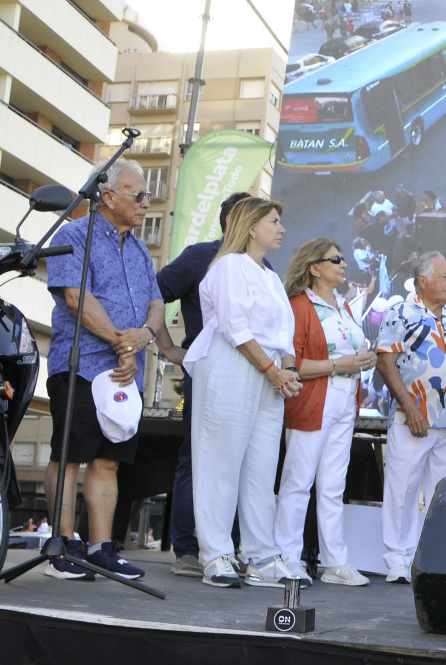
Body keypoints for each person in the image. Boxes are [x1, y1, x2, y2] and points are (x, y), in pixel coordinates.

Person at [44, 158, 181, 581]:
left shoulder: (141, 250)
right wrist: (121, 341)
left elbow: (157, 304)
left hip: (126, 374)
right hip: (81, 365)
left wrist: (143, 335)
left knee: (108, 461)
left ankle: (102, 549)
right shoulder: (74, 235)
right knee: (69, 457)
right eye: (138, 195)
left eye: (148, 196)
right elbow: (75, 297)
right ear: (107, 196)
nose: (146, 203)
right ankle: (63, 547)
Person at [182, 197, 302, 588]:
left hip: (269, 372)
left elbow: (285, 337)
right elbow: (234, 327)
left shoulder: (269, 275)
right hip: (233, 363)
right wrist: (273, 371)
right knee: (220, 463)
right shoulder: (230, 265)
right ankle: (216, 553)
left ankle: (260, 555)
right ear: (252, 226)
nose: (281, 228)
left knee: (261, 467)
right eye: (274, 221)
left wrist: (286, 370)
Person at [155, 191, 255, 577]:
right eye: (260, 218)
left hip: (248, 379)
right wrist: (166, 346)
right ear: (235, 221)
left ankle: (225, 548)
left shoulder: (258, 267)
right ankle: (187, 549)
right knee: (196, 458)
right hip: (208, 376)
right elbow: (153, 292)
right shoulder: (201, 257)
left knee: (234, 461)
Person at [275, 239, 378, 588]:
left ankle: (335, 561)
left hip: (345, 400)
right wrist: (340, 364)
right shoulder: (300, 306)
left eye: (343, 257)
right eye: (335, 259)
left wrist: (363, 360)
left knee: (334, 486)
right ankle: (287, 556)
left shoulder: (344, 306)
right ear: (315, 267)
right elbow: (294, 364)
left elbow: (349, 353)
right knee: (298, 482)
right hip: (314, 399)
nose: (343, 263)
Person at [376, 252, 446, 583]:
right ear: (423, 280)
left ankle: (433, 557)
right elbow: (386, 362)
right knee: (402, 490)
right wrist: (409, 406)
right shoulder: (400, 312)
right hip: (412, 418)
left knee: (442, 494)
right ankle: (397, 560)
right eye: (444, 276)